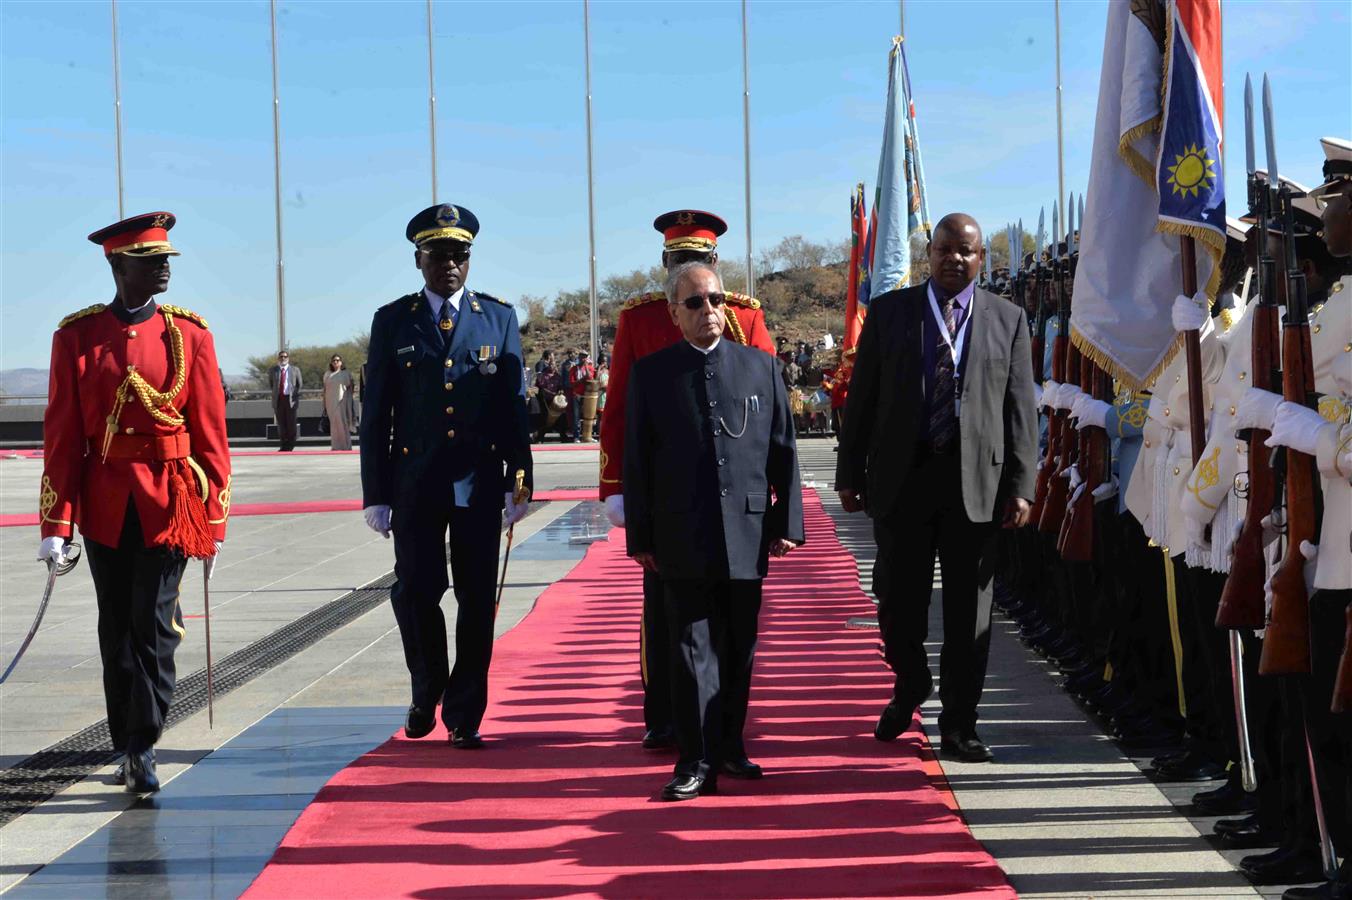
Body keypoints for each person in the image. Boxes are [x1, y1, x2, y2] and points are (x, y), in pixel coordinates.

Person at [836, 212, 1038, 763]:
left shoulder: (1008, 318)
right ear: (929, 253)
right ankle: (910, 682)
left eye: (966, 251)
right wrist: (849, 473)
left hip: (977, 486)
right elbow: (862, 402)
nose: (955, 259)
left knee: (969, 614)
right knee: (897, 602)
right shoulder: (890, 312)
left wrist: (1023, 485)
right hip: (904, 481)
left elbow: (1021, 409)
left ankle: (959, 724)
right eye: (945, 249)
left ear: (980, 259)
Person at [40, 212, 229, 794]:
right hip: (102, 501)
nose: (163, 270)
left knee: (157, 623)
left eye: (166, 260)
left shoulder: (190, 334)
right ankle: (125, 742)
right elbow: (64, 437)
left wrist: (214, 518)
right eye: (150, 262)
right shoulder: (77, 337)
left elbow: (210, 431)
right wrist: (56, 524)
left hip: (171, 500)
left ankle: (144, 742)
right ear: (117, 265)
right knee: (116, 628)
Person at [623, 260, 803, 800]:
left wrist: (786, 523)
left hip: (746, 530)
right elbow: (638, 462)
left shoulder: (759, 367)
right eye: (696, 303)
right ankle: (694, 758)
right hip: (682, 532)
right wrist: (642, 538)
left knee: (739, 643)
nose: (710, 312)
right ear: (675, 313)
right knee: (689, 646)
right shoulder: (653, 374)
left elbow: (783, 452)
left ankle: (730, 746)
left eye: (718, 301)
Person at [597, 209, 776, 751]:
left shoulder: (743, 315)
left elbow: (767, 411)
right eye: (680, 261)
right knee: (666, 611)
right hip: (669, 492)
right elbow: (621, 408)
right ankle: (667, 714)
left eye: (699, 261)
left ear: (715, 264)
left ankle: (722, 725)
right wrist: (615, 487)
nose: (690, 270)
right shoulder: (641, 319)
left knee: (733, 616)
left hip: (730, 494)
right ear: (665, 264)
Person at [359, 203, 533, 748]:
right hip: (415, 482)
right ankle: (426, 686)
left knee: (478, 598)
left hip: (479, 482)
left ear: (470, 259)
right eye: (438, 256)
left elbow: (514, 406)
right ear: (418, 259)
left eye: (459, 255)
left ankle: (464, 713)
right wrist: (376, 493)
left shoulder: (498, 317)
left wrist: (519, 479)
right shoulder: (394, 320)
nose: (449, 265)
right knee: (416, 592)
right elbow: (376, 415)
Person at [268, 350, 301, 451]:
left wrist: (295, 396)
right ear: (278, 358)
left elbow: (300, 384)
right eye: (281, 357)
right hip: (279, 400)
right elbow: (271, 384)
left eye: (285, 357)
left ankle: (291, 444)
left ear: (288, 358)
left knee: (291, 423)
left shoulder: (295, 370)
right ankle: (283, 445)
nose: (283, 358)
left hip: (291, 400)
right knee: (281, 424)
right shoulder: (273, 370)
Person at [323, 353, 357, 451]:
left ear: (341, 362)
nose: (336, 362)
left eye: (338, 360)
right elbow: (325, 390)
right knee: (334, 424)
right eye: (334, 360)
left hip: (342, 401)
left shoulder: (346, 373)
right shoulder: (327, 374)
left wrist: (349, 402)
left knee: (343, 423)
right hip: (330, 402)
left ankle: (346, 446)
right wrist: (324, 404)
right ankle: (336, 446)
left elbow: (351, 387)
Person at [569, 349, 597, 441]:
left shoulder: (590, 368)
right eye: (581, 356)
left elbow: (590, 378)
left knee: (589, 416)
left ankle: (588, 436)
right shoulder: (573, 369)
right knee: (576, 416)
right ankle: (576, 436)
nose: (583, 359)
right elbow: (572, 383)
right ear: (579, 357)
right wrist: (581, 380)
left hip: (587, 397)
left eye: (585, 357)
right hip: (577, 395)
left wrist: (586, 366)